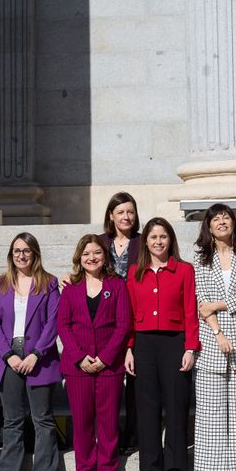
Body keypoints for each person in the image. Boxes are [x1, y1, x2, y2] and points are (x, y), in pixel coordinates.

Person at [125, 217, 199, 471]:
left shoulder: (183, 270)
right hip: (144, 345)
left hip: (174, 344)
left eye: (163, 237)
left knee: (177, 409)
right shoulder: (135, 272)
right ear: (145, 241)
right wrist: (129, 348)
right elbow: (129, 313)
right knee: (147, 411)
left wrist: (191, 347)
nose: (158, 241)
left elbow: (191, 310)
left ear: (171, 241)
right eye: (153, 237)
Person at [0, 232, 62, 471]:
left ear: (35, 254)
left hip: (38, 357)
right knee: (12, 419)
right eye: (17, 250)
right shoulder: (0, 284)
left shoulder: (49, 283)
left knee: (42, 418)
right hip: (8, 357)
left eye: (26, 250)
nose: (21, 255)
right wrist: (8, 355)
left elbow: (53, 323)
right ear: (11, 255)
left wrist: (36, 354)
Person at [58, 235, 132, 471]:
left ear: (105, 256)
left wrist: (105, 358)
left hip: (109, 367)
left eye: (97, 253)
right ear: (79, 258)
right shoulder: (70, 288)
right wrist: (80, 357)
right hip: (77, 367)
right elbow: (63, 326)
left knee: (108, 422)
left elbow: (123, 325)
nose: (92, 258)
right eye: (87, 254)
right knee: (82, 423)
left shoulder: (117, 285)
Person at [192, 204, 236, 471]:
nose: (221, 222)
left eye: (226, 217)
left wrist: (219, 304)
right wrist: (218, 332)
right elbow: (201, 300)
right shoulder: (200, 258)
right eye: (216, 218)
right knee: (211, 413)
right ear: (208, 226)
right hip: (211, 340)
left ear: (234, 222)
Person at [99, 192, 141, 453]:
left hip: (137, 315)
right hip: (107, 318)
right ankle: (108, 437)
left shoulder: (142, 242)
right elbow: (86, 264)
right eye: (121, 212)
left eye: (130, 212)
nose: (126, 216)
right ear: (111, 216)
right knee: (109, 384)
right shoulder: (101, 242)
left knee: (135, 383)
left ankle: (133, 436)